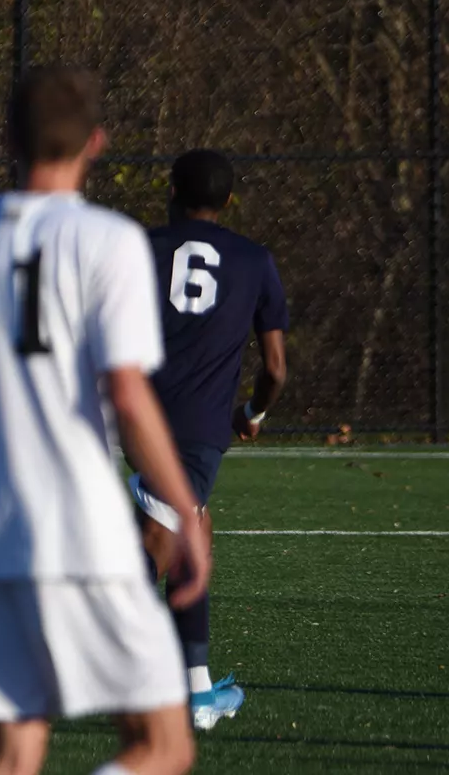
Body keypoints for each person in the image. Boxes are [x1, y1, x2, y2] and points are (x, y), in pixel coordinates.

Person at [0, 66, 209, 775]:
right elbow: (126, 391)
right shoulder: (107, 240)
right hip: (82, 531)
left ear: (8, 140)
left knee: (16, 750)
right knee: (163, 746)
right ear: (97, 141)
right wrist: (182, 509)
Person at [135, 148, 288, 731]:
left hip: (138, 416)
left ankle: (195, 688)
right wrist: (253, 411)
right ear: (228, 202)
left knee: (192, 535)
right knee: (151, 553)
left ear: (171, 192)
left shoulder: (139, 248)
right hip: (199, 430)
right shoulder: (254, 260)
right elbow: (276, 368)